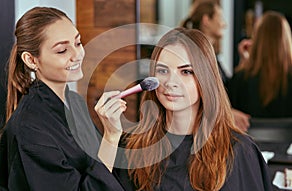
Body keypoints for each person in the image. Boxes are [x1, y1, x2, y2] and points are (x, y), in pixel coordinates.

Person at [95, 28, 273, 191]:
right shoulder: (131, 148)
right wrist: (110, 136)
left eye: (186, 72)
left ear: (206, 78)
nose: (171, 82)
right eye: (162, 71)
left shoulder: (239, 151)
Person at [0, 7, 126, 191]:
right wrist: (110, 137)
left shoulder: (74, 102)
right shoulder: (30, 129)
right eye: (62, 50)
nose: (77, 55)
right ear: (31, 60)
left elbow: (99, 164)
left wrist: (115, 134)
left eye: (78, 43)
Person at [180, 0, 251, 131]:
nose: (224, 24)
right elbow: (199, 97)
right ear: (206, 20)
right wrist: (227, 113)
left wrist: (243, 62)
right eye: (220, 18)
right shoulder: (196, 54)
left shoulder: (210, 55)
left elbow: (224, 89)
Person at [228, 11, 292, 118]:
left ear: (257, 40)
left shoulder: (240, 80)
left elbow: (224, 115)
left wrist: (243, 65)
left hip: (249, 135)